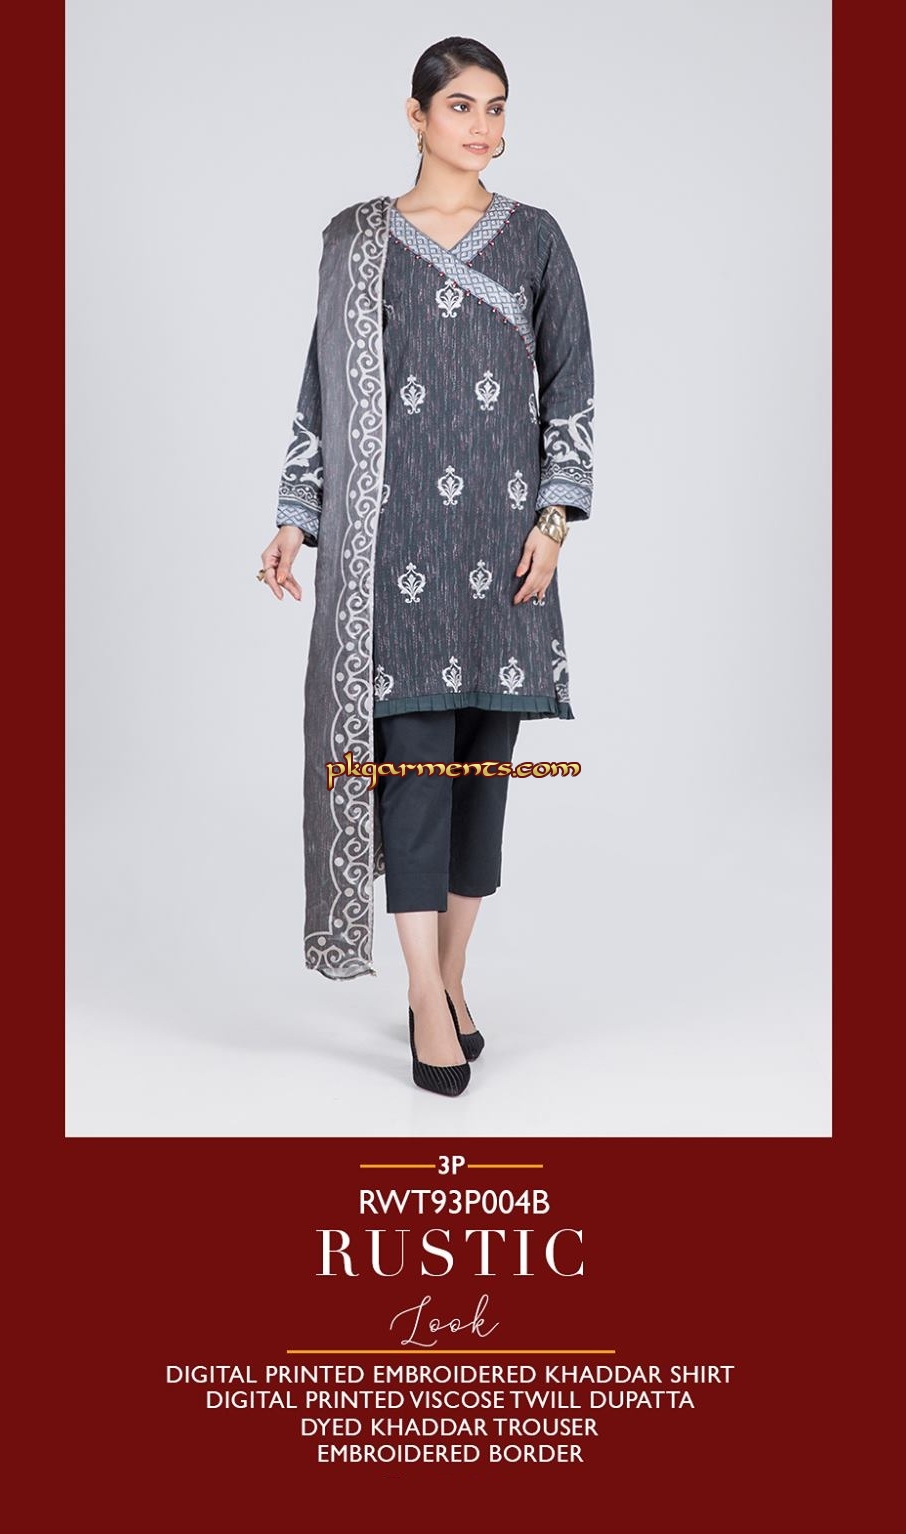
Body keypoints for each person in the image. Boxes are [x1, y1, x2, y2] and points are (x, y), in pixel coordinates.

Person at [258, 37, 594, 1097]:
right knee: (412, 780)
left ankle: (449, 977)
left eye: (496, 107)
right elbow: (320, 388)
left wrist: (554, 522)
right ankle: (421, 994)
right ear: (415, 115)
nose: (481, 126)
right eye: (460, 106)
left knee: (482, 783)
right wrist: (296, 516)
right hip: (390, 554)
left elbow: (572, 386)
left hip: (503, 551)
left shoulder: (535, 237)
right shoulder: (357, 240)